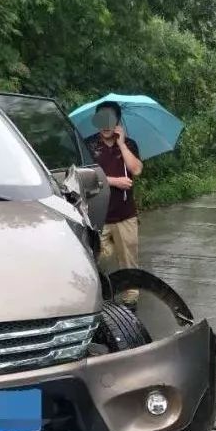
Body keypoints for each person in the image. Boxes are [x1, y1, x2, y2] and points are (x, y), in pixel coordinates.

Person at [86, 101, 144, 310]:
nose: (106, 125)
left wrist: (122, 144)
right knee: (95, 258)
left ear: (118, 122)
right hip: (98, 215)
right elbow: (85, 176)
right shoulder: (89, 145)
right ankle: (96, 296)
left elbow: (136, 170)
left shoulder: (130, 144)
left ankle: (130, 301)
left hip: (125, 214)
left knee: (129, 259)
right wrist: (113, 181)